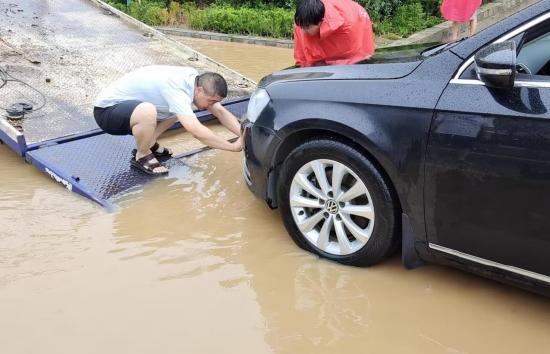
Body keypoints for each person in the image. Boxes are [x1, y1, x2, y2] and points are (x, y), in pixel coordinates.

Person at [93, 65, 242, 175]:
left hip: (128, 108)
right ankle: (142, 155)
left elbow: (221, 112)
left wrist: (244, 134)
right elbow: (196, 131)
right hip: (107, 112)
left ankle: (149, 143)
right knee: (148, 111)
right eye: (211, 101)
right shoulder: (177, 89)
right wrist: (233, 147)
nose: (212, 105)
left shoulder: (194, 80)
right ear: (200, 90)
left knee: (179, 112)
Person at [293, 0, 375, 67]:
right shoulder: (302, 22)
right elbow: (301, 59)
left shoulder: (348, 25)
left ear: (321, 22)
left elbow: (354, 55)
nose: (303, 31)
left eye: (307, 27)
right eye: (301, 26)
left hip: (354, 19)